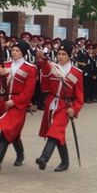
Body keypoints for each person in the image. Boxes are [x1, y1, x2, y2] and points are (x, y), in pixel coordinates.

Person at [0, 39, 37, 173]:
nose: (14, 52)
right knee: (13, 133)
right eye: (13, 50)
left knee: (6, 131)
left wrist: (15, 101)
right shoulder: (6, 65)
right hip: (5, 102)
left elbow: (28, 91)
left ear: (23, 53)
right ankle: (20, 154)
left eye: (17, 51)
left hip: (18, 105)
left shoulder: (30, 68)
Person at [35, 40, 84, 172]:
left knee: (55, 130)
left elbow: (80, 97)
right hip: (52, 104)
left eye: (63, 54)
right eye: (59, 54)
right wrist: (43, 61)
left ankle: (44, 158)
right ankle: (65, 161)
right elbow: (45, 72)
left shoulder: (76, 73)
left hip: (65, 106)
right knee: (57, 133)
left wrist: (74, 109)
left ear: (69, 55)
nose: (60, 56)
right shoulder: (52, 68)